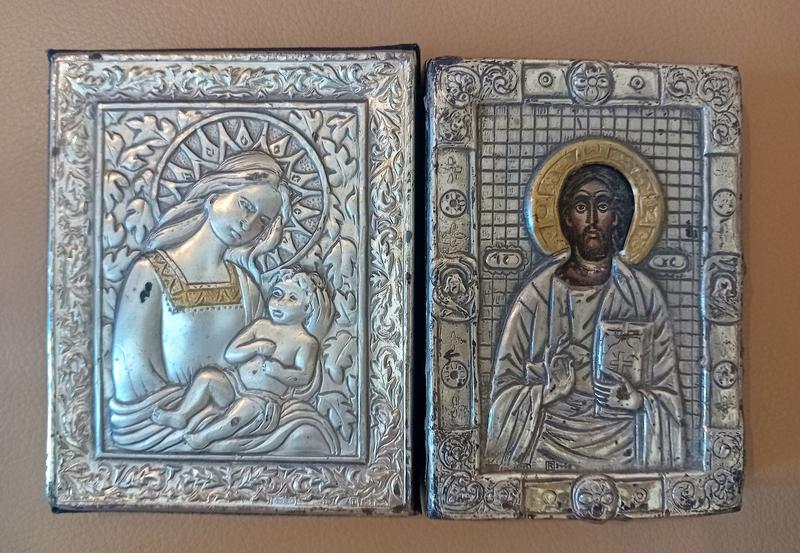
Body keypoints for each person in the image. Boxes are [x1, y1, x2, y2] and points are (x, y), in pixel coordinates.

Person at [485, 164, 684, 471]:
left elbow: (668, 395)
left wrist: (636, 401)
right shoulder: (536, 297)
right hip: (545, 451)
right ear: (566, 218)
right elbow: (502, 393)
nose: (591, 219)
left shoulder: (644, 296)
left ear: (616, 216)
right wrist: (548, 391)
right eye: (581, 207)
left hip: (625, 451)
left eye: (602, 206)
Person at [108, 150, 290, 450]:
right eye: (245, 205)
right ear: (214, 195)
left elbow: (258, 373)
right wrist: (193, 413)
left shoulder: (248, 289)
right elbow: (133, 378)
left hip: (234, 421)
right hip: (156, 430)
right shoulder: (149, 274)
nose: (248, 224)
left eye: (262, 221)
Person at [150, 268, 337, 453]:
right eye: (277, 294)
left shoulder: (305, 342)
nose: (281, 302)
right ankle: (181, 414)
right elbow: (231, 354)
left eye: (292, 298)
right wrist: (255, 347)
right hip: (234, 383)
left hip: (261, 398)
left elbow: (303, 377)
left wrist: (279, 372)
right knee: (207, 378)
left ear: (307, 308)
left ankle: (205, 437)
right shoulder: (261, 326)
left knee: (242, 410)